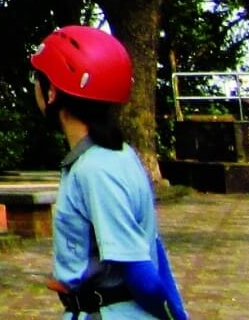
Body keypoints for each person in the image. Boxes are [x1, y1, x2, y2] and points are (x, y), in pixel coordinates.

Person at [30, 26, 188, 320]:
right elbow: (153, 248)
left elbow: (140, 273)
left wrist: (174, 316)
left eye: (36, 79)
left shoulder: (96, 170)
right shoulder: (119, 155)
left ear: (52, 92)